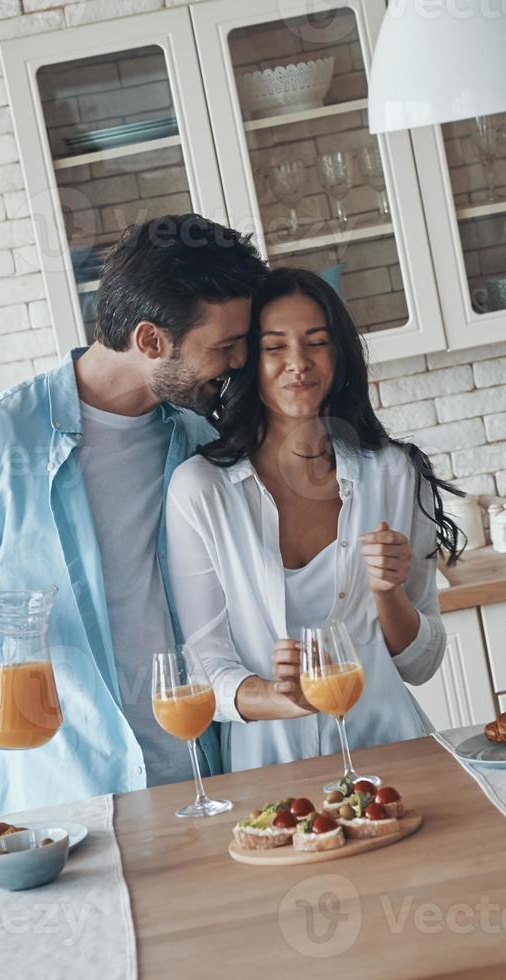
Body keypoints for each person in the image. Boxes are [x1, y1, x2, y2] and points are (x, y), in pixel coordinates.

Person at [0, 214, 270, 820]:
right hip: (55, 796)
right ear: (152, 340)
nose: (238, 362)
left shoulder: (196, 435)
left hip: (194, 779)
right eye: (225, 346)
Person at [165, 267, 464, 773]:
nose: (298, 363)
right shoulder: (201, 490)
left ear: (339, 355)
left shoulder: (392, 473)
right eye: (274, 346)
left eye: (317, 342)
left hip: (396, 753)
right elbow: (203, 666)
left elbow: (419, 664)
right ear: (245, 360)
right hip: (273, 773)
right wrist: (281, 698)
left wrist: (389, 592)